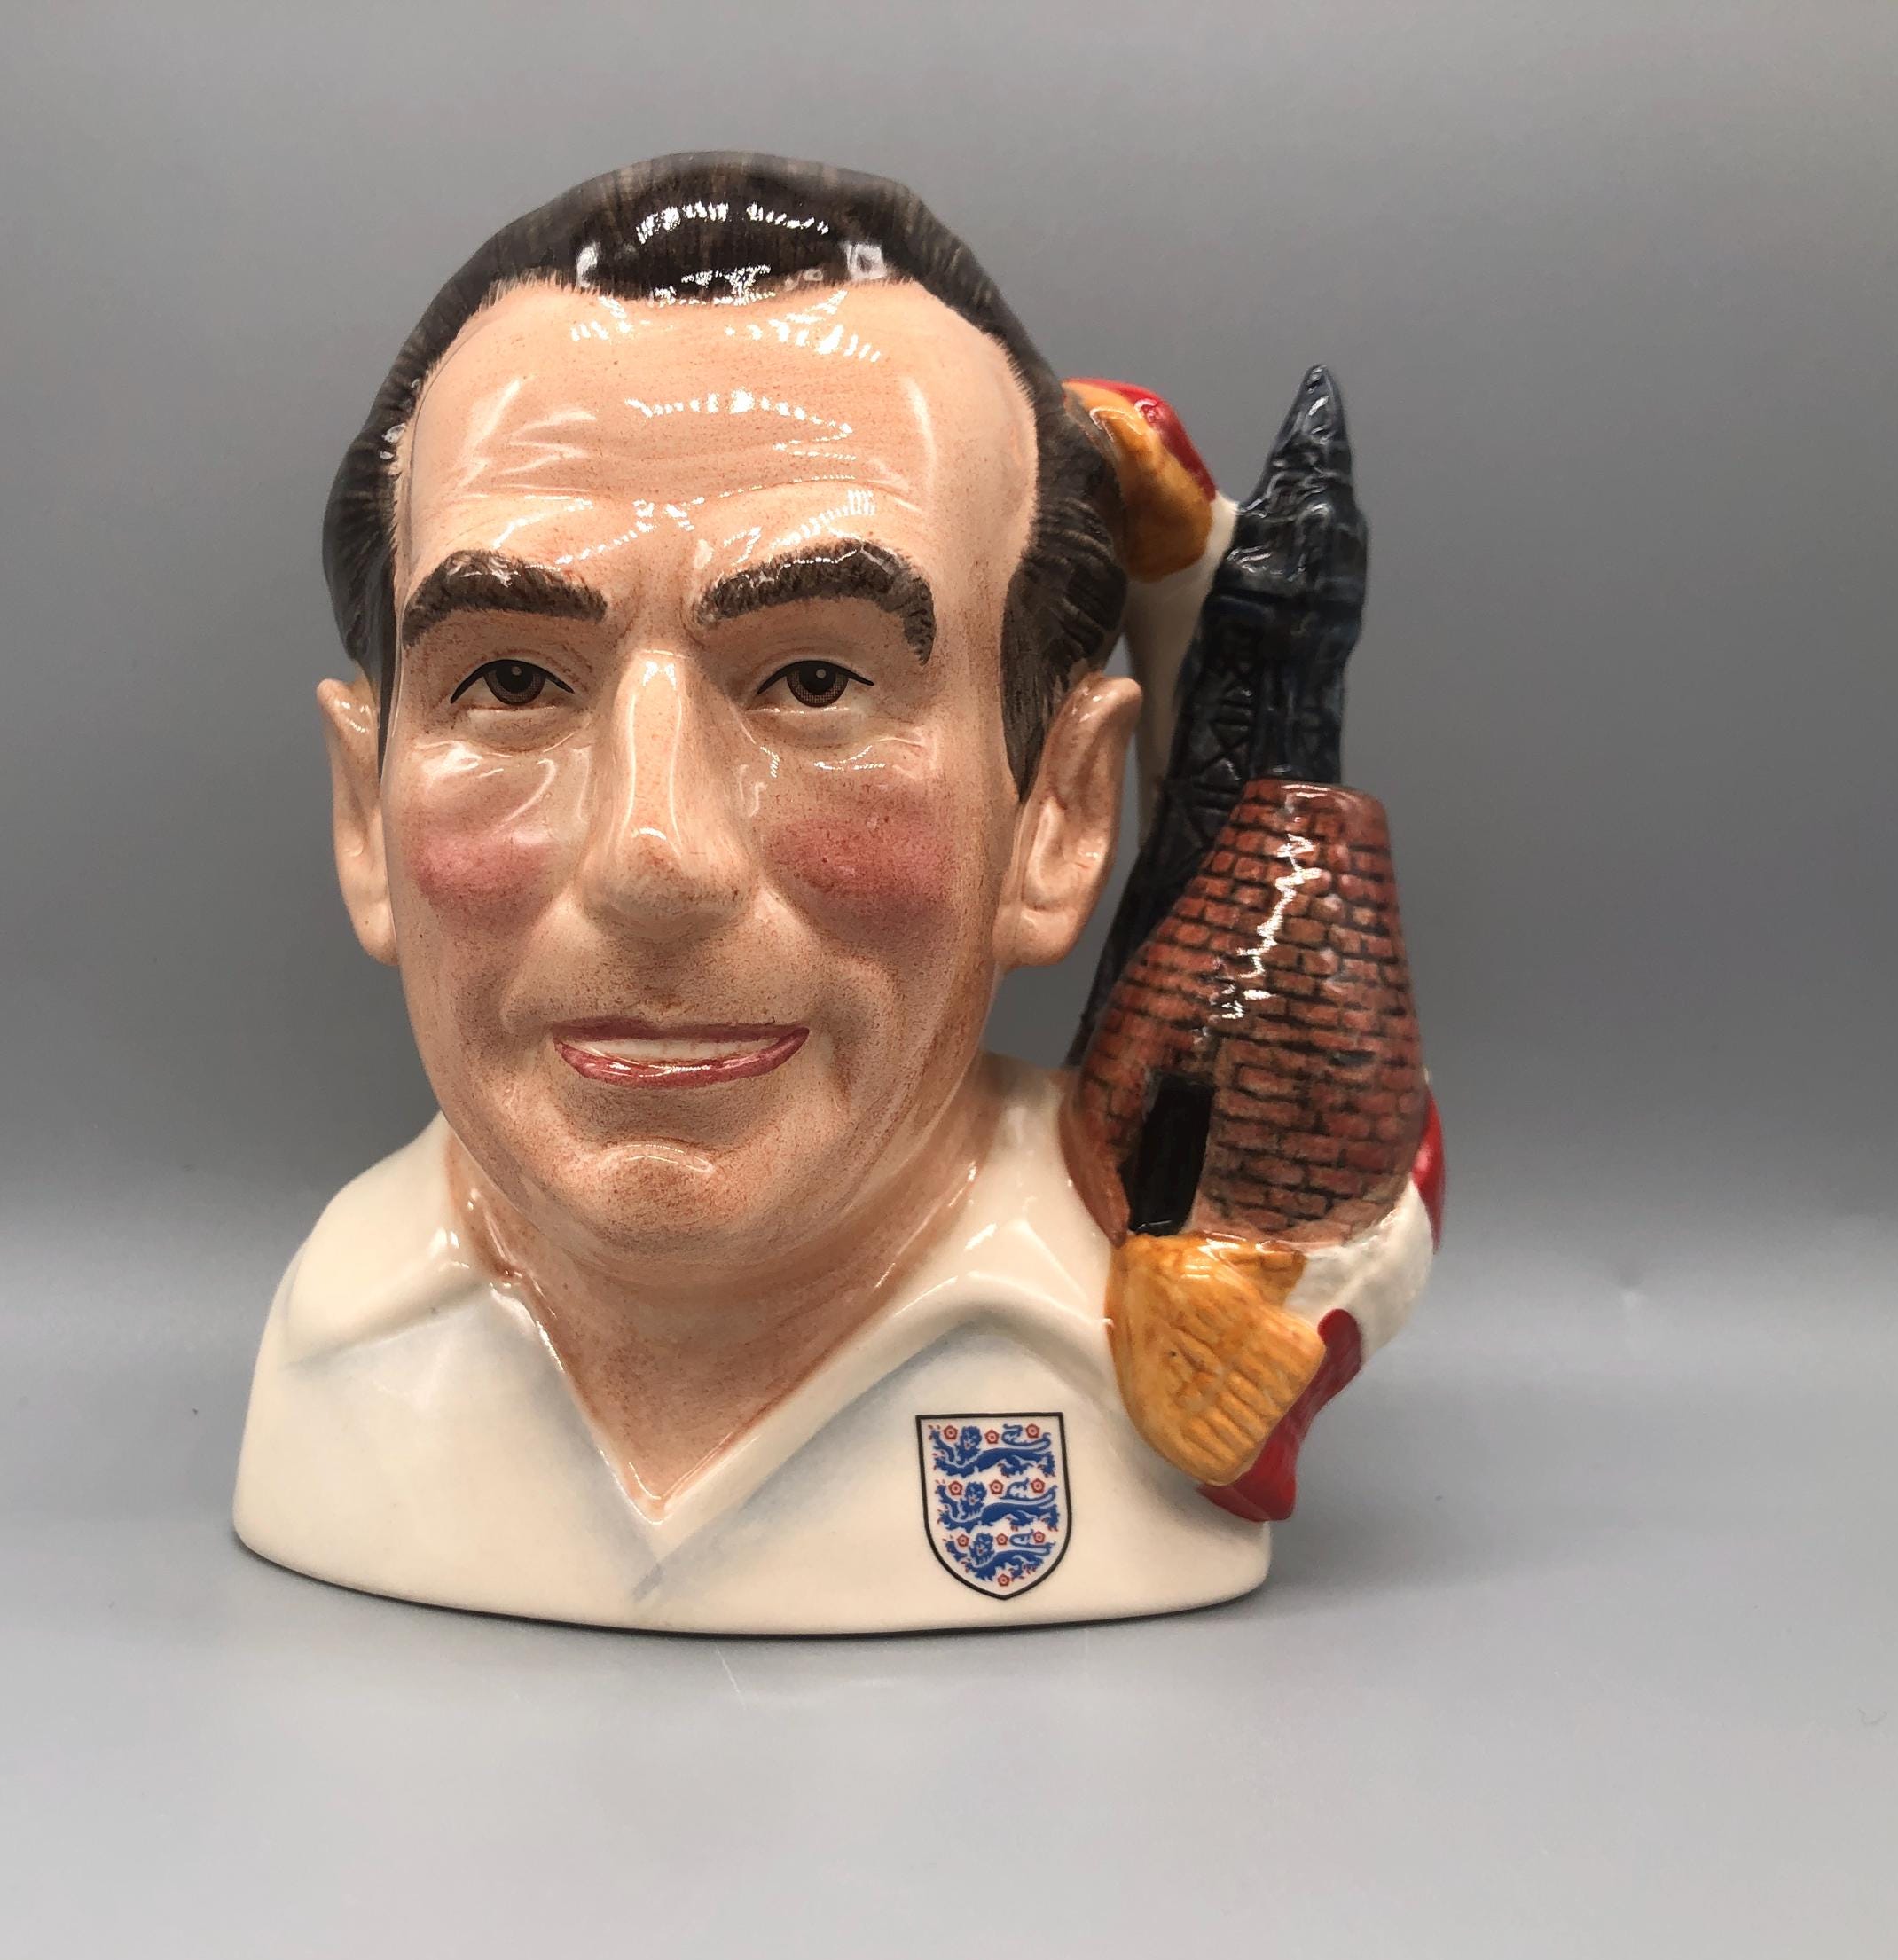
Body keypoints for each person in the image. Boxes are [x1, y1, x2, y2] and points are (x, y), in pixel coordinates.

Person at [235, 153, 1438, 1631]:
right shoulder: (345, 1341)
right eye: (516, 682)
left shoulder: (1157, 1337)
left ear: (1058, 813)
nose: (653, 859)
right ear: (366, 814)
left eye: (814, 682)